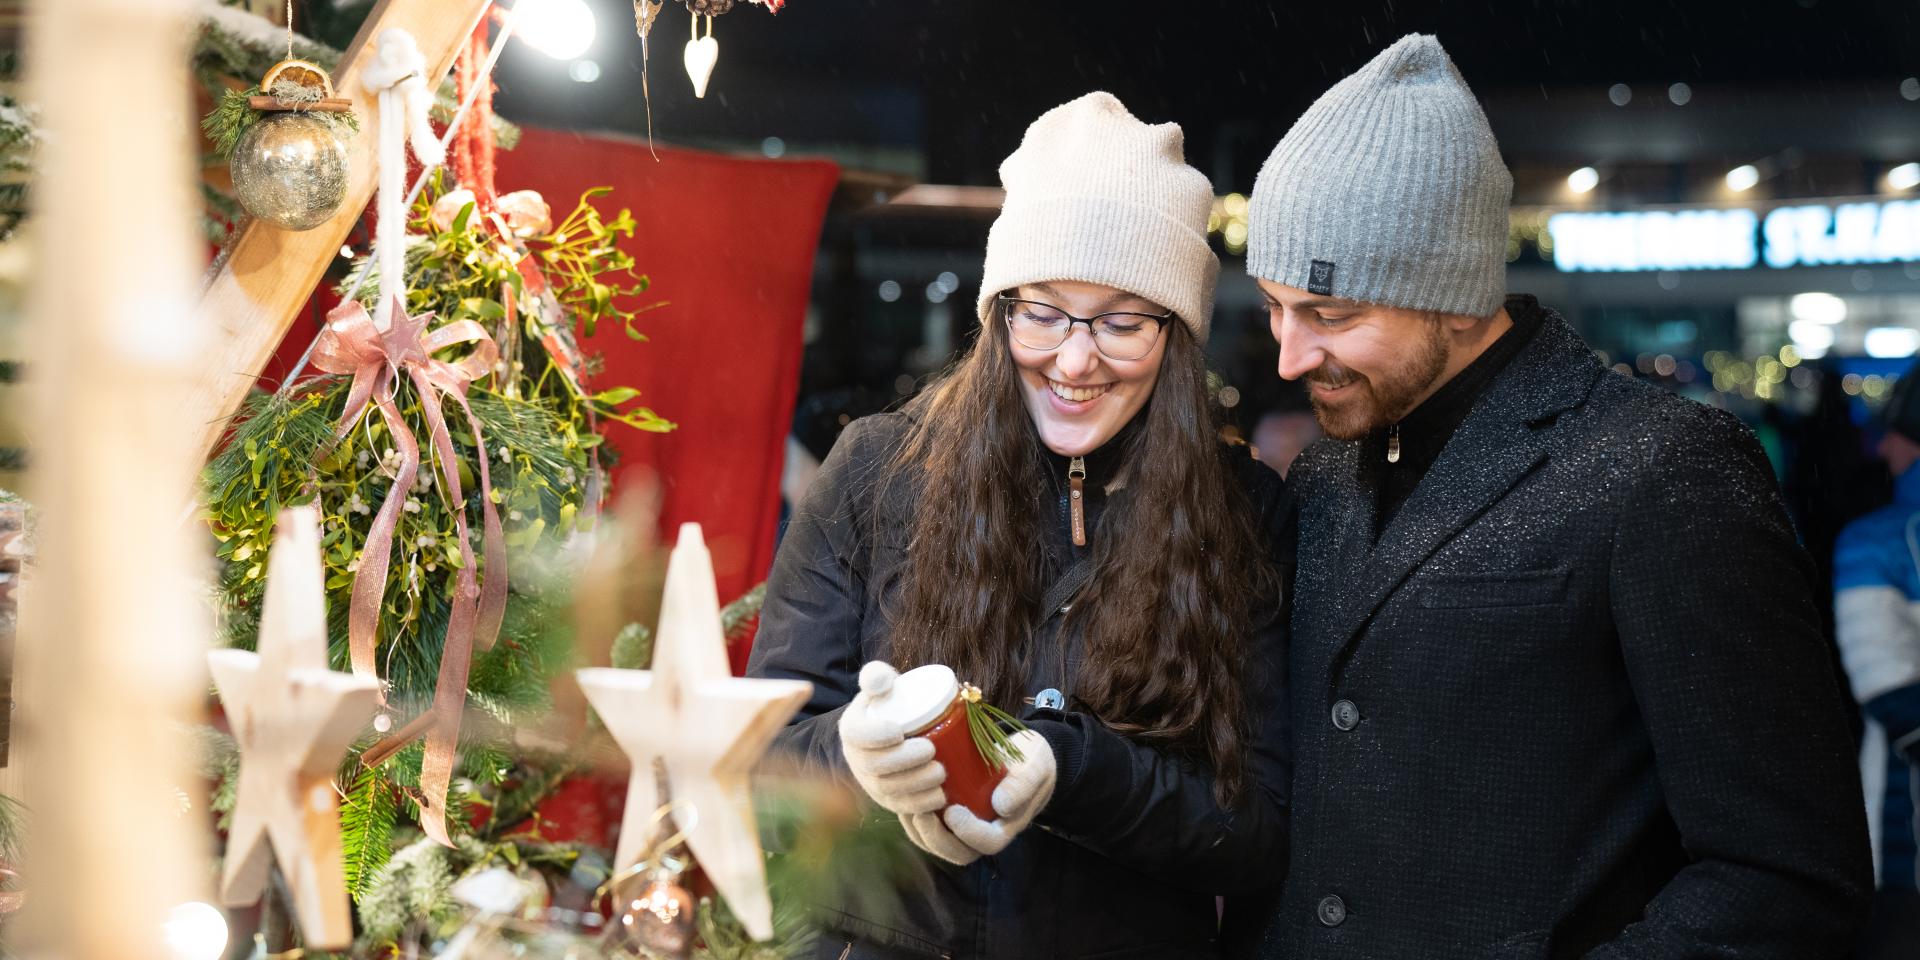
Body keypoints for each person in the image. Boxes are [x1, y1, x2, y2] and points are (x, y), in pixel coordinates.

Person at [1221, 34, 1871, 959]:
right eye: (1274, 309)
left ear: (1450, 293)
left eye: (1331, 314)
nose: (1289, 355)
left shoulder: (1665, 467)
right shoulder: (1326, 476)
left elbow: (1788, 878)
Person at [747, 91, 1291, 959]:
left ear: (1178, 336)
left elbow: (1254, 833)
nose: (1075, 360)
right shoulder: (877, 471)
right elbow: (764, 762)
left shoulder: (1245, 515)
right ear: (998, 314)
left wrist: (1073, 772)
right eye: (1040, 311)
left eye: (1121, 322)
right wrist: (857, 756)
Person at [1835, 369, 1920, 959]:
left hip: (1903, 851)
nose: (1884, 447)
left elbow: (1888, 687)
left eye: (1897, 432)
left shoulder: (1874, 542)